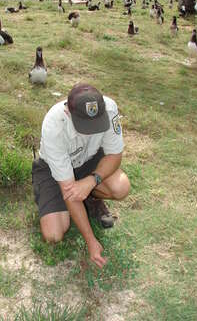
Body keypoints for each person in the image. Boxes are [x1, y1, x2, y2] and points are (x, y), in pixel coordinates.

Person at [32, 83, 130, 268]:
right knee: (53, 235)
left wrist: (92, 180)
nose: (92, 130)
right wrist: (91, 241)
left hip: (90, 161)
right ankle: (51, 195)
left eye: (96, 123)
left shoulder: (109, 109)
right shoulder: (54, 126)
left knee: (121, 187)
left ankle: (90, 199)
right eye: (85, 125)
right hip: (53, 170)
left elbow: (115, 155)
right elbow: (69, 191)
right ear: (68, 112)